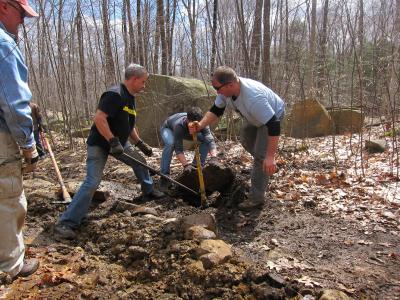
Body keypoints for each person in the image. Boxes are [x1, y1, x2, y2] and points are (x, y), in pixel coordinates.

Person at [54, 64, 165, 239]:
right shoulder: (114, 94)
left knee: (140, 161)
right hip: (100, 143)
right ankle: (66, 223)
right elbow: (99, 118)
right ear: (134, 79)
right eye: (143, 82)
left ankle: (148, 191)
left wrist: (139, 143)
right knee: (92, 182)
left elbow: (128, 125)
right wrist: (112, 141)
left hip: (119, 144)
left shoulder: (130, 97)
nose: (144, 86)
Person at [189, 66, 285, 210]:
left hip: (272, 117)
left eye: (217, 88)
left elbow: (274, 125)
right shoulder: (225, 92)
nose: (217, 91)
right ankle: (264, 165)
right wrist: (201, 125)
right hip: (253, 117)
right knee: (245, 140)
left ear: (231, 85)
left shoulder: (254, 98)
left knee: (261, 156)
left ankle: (256, 198)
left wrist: (269, 156)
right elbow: (217, 110)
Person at [0, 0, 40, 278]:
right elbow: (14, 104)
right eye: (21, 14)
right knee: (9, 198)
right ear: (4, 6)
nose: (23, 22)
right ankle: (10, 267)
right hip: (2, 140)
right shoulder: (4, 45)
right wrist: (28, 144)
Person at [159, 107, 218, 189]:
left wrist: (214, 158)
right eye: (192, 126)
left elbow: (210, 141)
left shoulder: (204, 124)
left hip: (186, 131)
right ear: (187, 121)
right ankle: (164, 177)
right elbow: (178, 149)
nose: (195, 128)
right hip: (168, 128)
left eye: (197, 126)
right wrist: (186, 165)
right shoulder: (179, 126)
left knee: (206, 139)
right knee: (170, 144)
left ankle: (196, 166)